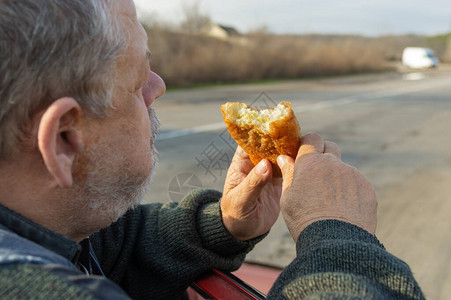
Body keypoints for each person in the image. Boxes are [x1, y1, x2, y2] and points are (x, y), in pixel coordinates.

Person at [0, 0, 424, 299]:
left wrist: (220, 225)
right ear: (64, 139)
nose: (158, 86)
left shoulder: (33, 221)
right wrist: (338, 236)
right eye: (136, 80)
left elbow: (107, 249)